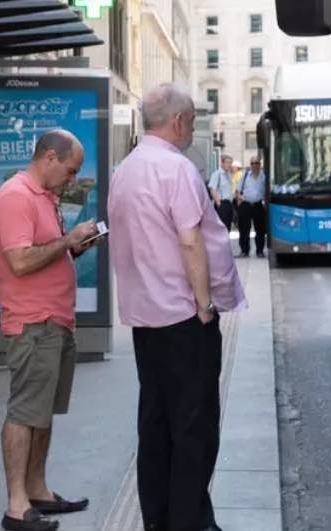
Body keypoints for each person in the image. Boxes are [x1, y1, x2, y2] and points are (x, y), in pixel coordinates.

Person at [108, 84, 247, 531]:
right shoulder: (177, 169)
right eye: (190, 120)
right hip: (183, 318)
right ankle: (189, 521)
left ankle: (159, 519)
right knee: (194, 426)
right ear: (179, 121)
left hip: (144, 318)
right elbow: (191, 241)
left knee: (155, 423)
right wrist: (205, 305)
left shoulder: (125, 170)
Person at [0, 129, 100, 531]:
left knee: (41, 412)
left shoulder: (44, 197)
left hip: (54, 320)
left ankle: (36, 489)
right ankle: (16, 506)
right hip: (33, 321)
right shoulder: (16, 196)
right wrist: (67, 240)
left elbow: (42, 251)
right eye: (70, 170)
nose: (73, 178)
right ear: (50, 157)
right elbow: (19, 261)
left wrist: (74, 246)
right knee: (24, 411)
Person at [235, 155, 268, 257]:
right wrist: (239, 200)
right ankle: (244, 251)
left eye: (256, 163)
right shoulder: (245, 176)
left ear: (260, 164)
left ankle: (260, 251)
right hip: (246, 204)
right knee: (244, 229)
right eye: (252, 163)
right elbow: (237, 191)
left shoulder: (264, 177)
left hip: (258, 205)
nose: (254, 165)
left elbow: (267, 192)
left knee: (260, 229)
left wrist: (265, 204)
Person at [207, 154, 235, 231]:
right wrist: (218, 203)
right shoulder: (217, 174)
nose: (229, 165)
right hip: (221, 204)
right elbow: (212, 188)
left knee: (228, 227)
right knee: (222, 228)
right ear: (222, 163)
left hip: (228, 204)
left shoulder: (228, 175)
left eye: (230, 163)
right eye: (227, 162)